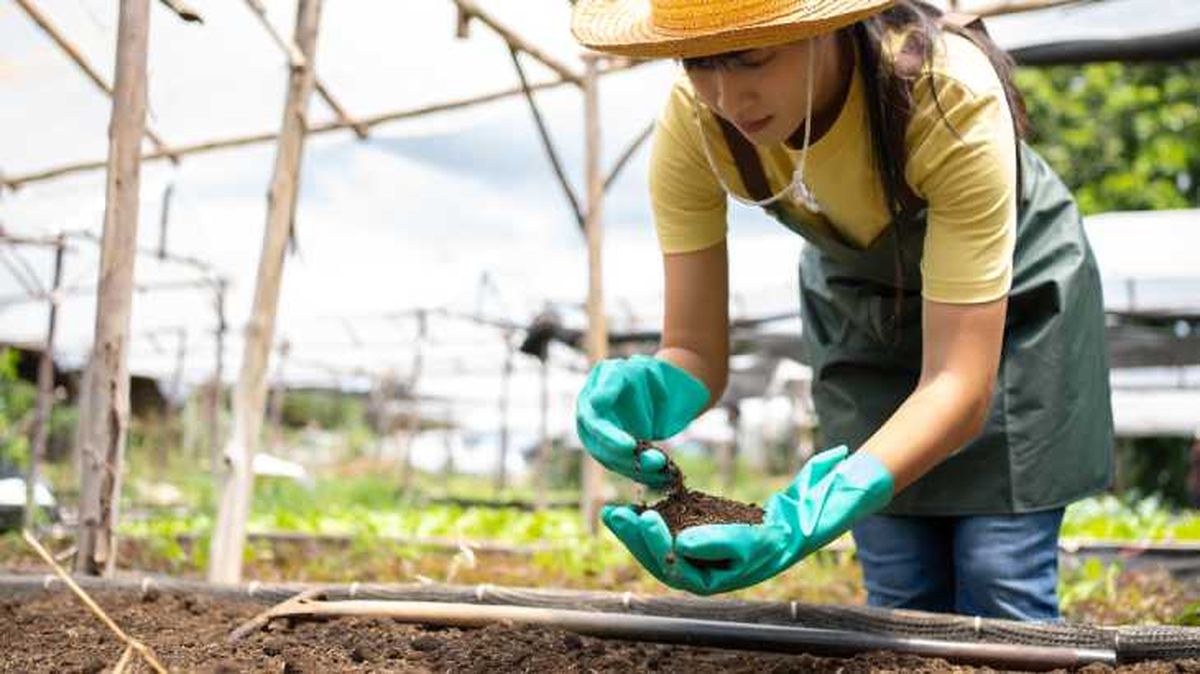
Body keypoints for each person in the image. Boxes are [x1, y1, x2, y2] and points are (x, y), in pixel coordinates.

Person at [571, 0, 1114, 621]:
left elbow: (958, 383)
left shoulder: (947, 96)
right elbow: (695, 352)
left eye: (752, 58)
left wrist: (807, 517)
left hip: (1012, 313)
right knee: (900, 580)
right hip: (862, 316)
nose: (729, 97)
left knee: (999, 571)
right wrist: (653, 388)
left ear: (822, 25)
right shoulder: (695, 123)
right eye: (699, 64)